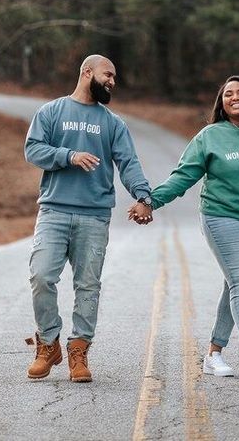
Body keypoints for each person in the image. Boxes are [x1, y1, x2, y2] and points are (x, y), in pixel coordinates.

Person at [128, 75, 239, 381]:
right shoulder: (210, 136)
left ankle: (213, 354)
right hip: (222, 216)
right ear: (221, 102)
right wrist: (150, 202)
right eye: (228, 94)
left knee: (235, 283)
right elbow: (183, 177)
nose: (235, 97)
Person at [24, 54, 151, 382]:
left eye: (114, 77)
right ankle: (48, 343)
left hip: (94, 216)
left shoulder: (113, 122)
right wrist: (68, 156)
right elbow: (33, 149)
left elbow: (129, 162)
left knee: (88, 285)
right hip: (54, 210)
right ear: (87, 72)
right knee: (41, 276)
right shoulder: (51, 111)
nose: (112, 81)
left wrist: (143, 196)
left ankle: (79, 350)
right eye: (108, 74)